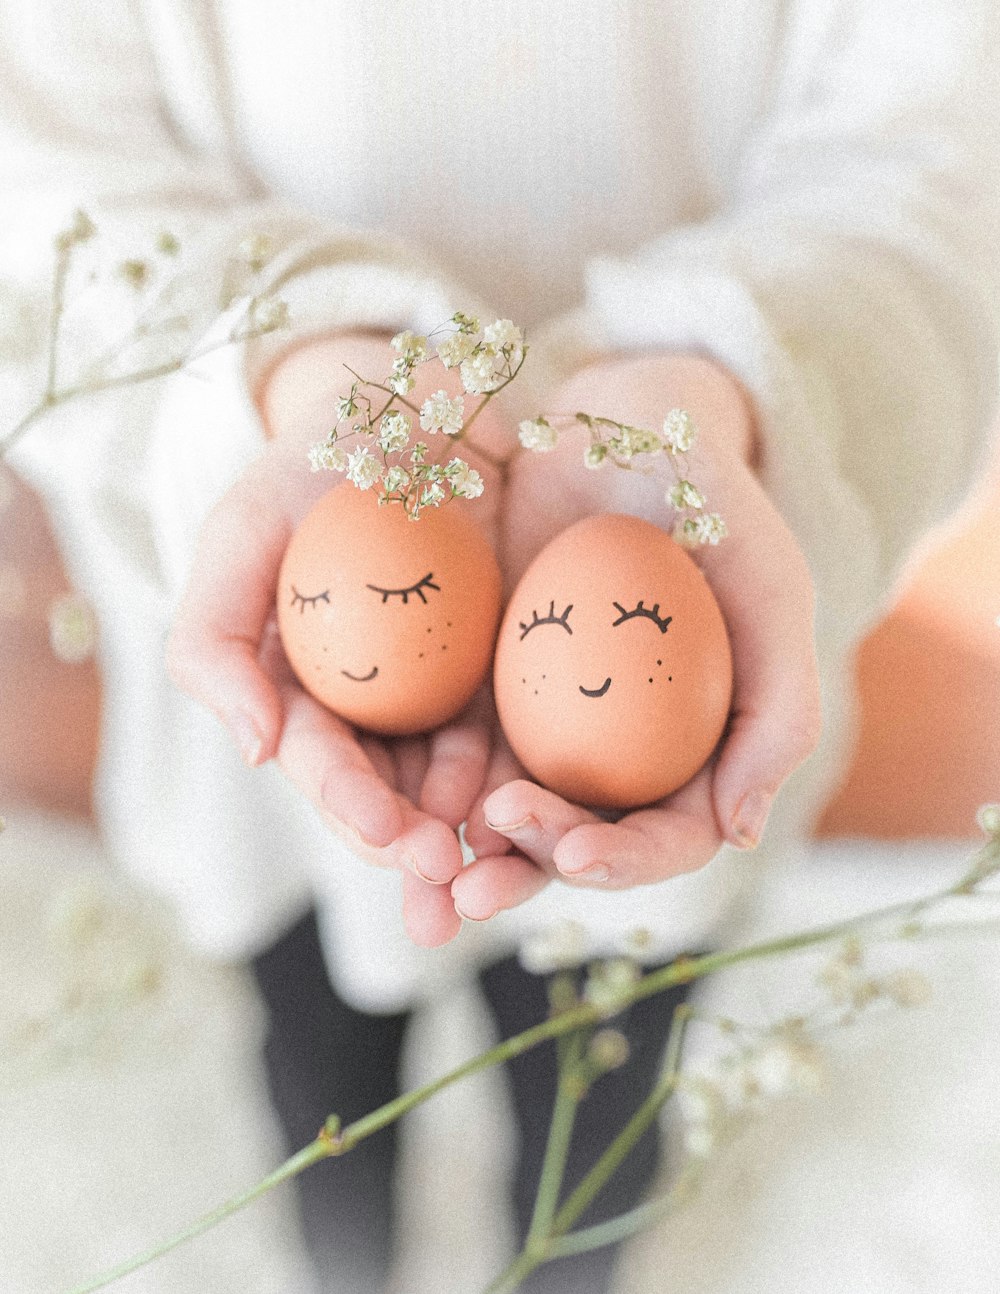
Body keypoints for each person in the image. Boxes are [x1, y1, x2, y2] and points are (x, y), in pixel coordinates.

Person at [3, 2, 999, 1290]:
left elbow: (947, 146)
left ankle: (566, 1271)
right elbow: (42, 162)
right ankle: (348, 1257)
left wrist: (724, 381)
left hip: (686, 605)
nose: (598, 649)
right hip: (281, 656)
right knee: (318, 1063)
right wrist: (297, 365)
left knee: (603, 1088)